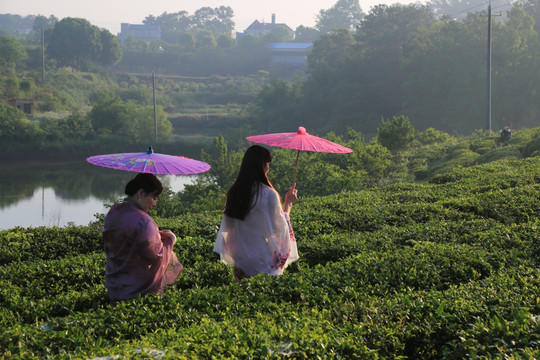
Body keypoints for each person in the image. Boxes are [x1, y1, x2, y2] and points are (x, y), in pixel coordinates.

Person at [213, 145, 299, 281]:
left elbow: (229, 229)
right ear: (262, 166)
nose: (268, 167)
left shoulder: (234, 192)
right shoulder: (269, 194)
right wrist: (288, 203)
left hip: (241, 261)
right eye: (267, 163)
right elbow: (280, 228)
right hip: (262, 260)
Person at [102, 173, 182, 304]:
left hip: (115, 287)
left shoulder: (114, 211)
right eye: (154, 197)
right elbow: (157, 256)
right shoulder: (143, 221)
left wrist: (153, 235)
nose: (155, 203)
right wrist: (171, 241)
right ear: (140, 193)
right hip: (137, 293)